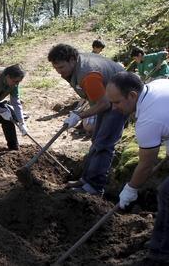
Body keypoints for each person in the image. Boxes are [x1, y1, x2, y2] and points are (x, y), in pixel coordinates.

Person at [106, 72, 169, 264]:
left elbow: (145, 164)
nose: (114, 108)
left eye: (117, 102)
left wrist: (131, 189)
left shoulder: (148, 120)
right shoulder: (157, 85)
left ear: (132, 95)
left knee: (167, 193)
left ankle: (160, 255)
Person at [48, 43, 126, 195]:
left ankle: (94, 187)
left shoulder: (87, 74)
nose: (59, 72)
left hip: (122, 100)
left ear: (72, 60)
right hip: (107, 97)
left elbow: (104, 104)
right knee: (96, 139)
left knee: (104, 143)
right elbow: (96, 98)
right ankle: (86, 180)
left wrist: (79, 116)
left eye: (61, 67)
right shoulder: (76, 65)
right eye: (56, 68)